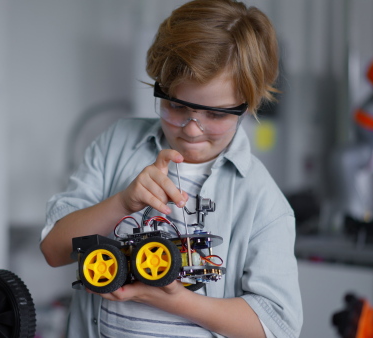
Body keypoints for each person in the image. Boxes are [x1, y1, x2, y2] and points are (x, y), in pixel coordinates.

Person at [40, 0, 303, 337]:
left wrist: (173, 299)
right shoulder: (116, 144)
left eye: (217, 115)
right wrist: (122, 204)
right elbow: (53, 249)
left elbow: (277, 325)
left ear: (247, 106)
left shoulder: (261, 197)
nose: (192, 129)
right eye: (177, 106)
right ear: (159, 87)